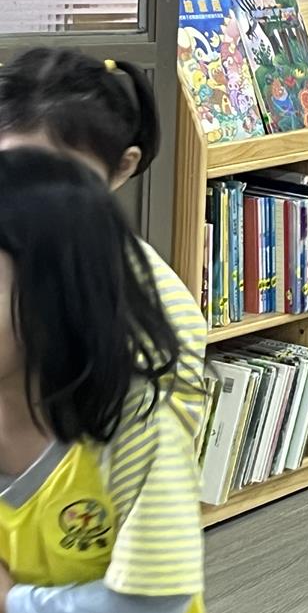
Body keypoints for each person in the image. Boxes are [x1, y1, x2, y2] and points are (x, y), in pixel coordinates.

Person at [0, 48, 206, 610]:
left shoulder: (151, 361)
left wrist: (17, 601)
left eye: (58, 183)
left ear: (122, 168)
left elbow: (154, 586)